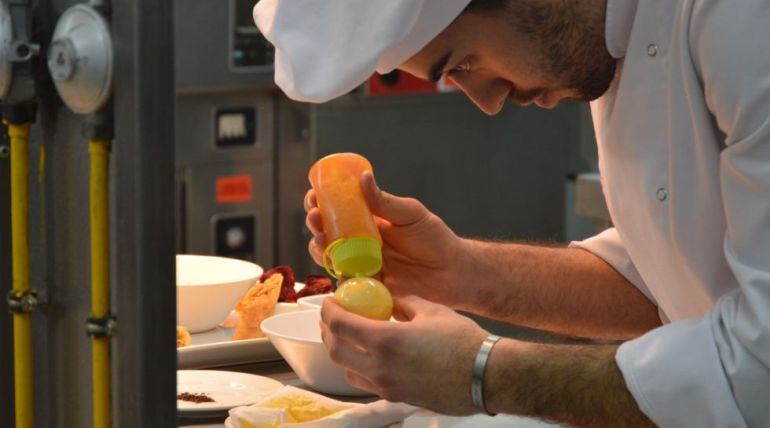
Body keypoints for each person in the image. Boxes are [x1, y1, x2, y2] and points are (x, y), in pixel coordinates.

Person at [254, 0, 770, 426]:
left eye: (463, 62)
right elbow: (665, 282)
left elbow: (757, 370)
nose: (488, 101)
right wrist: (458, 272)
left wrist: (483, 373)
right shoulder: (605, 44)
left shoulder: (742, 19)